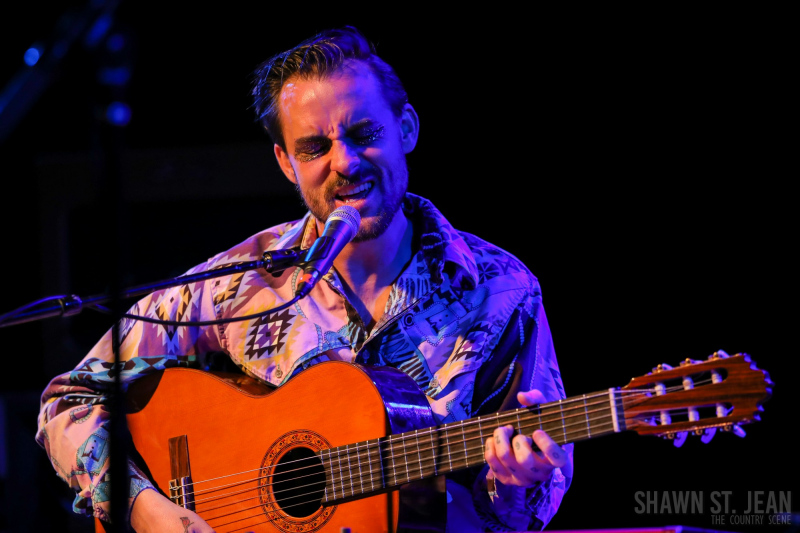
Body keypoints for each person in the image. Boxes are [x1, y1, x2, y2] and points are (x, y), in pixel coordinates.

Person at [35, 25, 573, 532]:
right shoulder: (236, 285)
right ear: (286, 163)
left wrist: (516, 482)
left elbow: (523, 516)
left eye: (364, 134)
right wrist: (143, 508)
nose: (344, 163)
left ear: (406, 129)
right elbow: (69, 400)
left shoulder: (502, 289)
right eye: (315, 148)